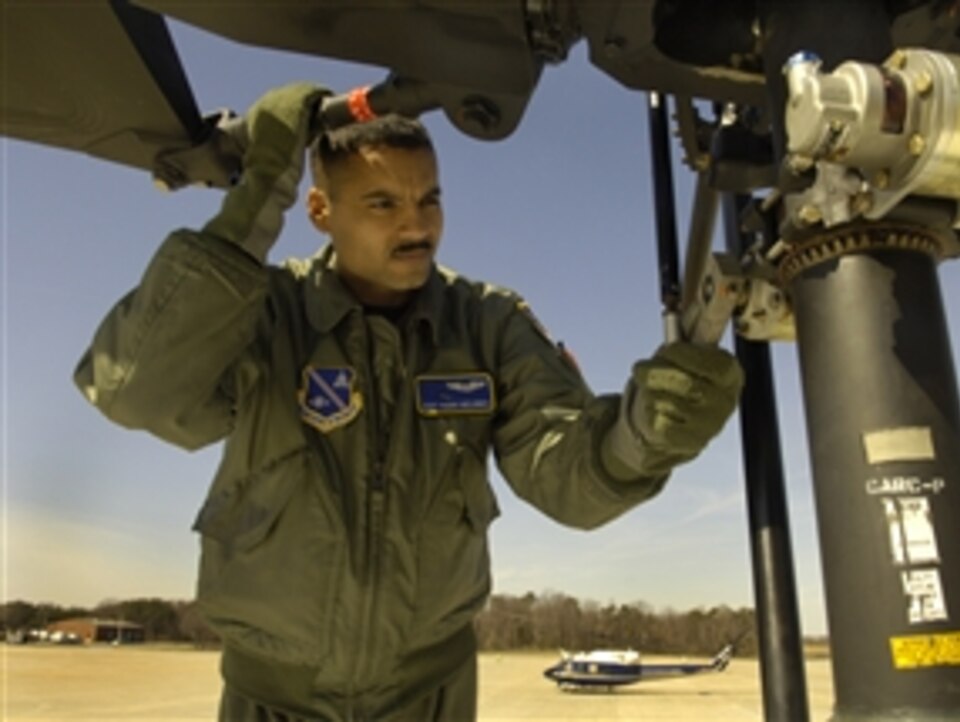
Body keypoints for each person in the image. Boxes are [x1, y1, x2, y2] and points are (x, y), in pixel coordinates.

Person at [74, 83, 744, 722]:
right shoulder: (266, 311)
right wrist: (256, 199)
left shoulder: (486, 322)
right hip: (272, 697)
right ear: (319, 211)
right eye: (383, 203)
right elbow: (136, 391)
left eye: (430, 199)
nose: (417, 224)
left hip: (428, 696)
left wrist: (644, 436)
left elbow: (564, 475)